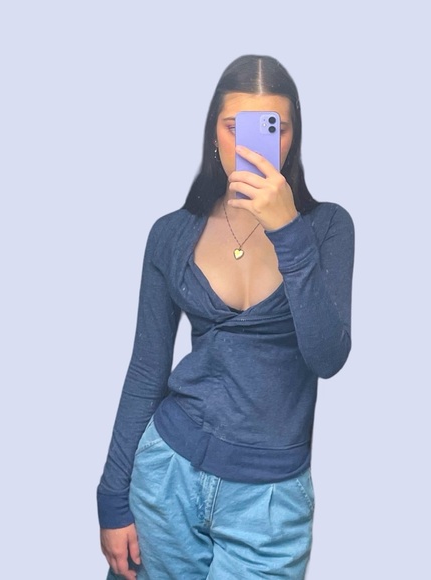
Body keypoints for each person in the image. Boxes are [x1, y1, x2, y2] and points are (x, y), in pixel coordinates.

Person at [97, 54, 355, 580]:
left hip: (269, 502)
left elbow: (327, 357)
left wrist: (287, 231)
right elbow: (146, 370)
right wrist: (112, 496)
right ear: (213, 133)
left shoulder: (328, 227)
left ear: (292, 137)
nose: (249, 143)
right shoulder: (171, 233)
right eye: (233, 126)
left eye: (273, 127)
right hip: (166, 474)